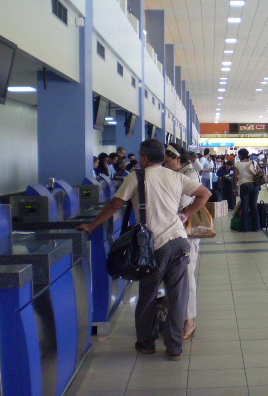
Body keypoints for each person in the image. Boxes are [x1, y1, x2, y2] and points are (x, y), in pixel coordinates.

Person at [76, 139, 211, 360]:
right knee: (178, 297)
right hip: (179, 242)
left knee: (148, 296)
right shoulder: (176, 176)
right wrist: (185, 213)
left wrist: (91, 226)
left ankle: (146, 343)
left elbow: (115, 204)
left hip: (154, 245)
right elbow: (205, 193)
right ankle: (174, 347)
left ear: (145, 158)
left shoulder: (137, 176)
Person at [163, 142, 201, 341]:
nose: (166, 165)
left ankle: (189, 321)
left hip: (186, 234)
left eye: (168, 162)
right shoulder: (179, 173)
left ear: (178, 159)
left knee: (187, 275)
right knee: (178, 277)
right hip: (175, 234)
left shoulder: (189, 176)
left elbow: (183, 205)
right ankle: (178, 317)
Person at [233, 148, 262, 232]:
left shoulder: (237, 164)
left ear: (241, 155)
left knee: (245, 206)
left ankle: (244, 228)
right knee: (254, 206)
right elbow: (259, 172)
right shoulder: (254, 162)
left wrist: (234, 187)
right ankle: (256, 227)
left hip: (244, 186)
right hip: (254, 186)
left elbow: (235, 177)